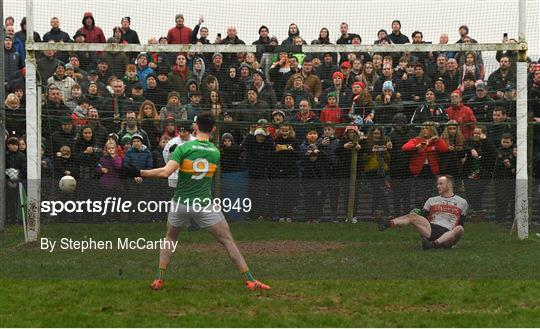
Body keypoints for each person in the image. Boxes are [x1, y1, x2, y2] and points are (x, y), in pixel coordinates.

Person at [125, 112, 270, 291]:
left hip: (180, 203)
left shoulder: (183, 148)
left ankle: (159, 279)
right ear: (214, 129)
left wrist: (139, 172)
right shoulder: (215, 152)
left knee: (170, 238)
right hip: (203, 205)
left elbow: (165, 173)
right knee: (227, 240)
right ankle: (250, 280)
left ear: (195, 127)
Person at [378, 175, 467, 250]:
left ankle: (433, 244)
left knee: (460, 228)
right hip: (431, 230)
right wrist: (416, 215)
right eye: (437, 184)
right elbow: (423, 217)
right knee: (412, 216)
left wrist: (453, 238)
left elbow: (461, 223)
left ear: (449, 185)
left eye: (440, 184)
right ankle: (386, 224)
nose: (437, 186)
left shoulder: (462, 202)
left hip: (448, 235)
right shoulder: (431, 200)